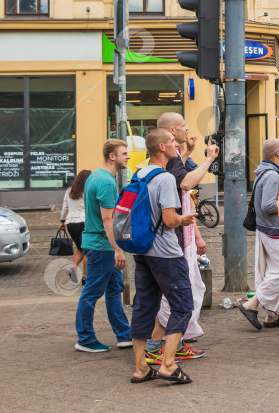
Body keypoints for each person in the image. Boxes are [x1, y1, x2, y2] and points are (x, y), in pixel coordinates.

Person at [144, 112, 219, 363]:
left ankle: (176, 342)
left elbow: (179, 181)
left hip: (171, 238)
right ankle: (156, 348)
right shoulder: (170, 160)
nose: (187, 130)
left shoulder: (165, 160)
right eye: (184, 127)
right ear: (172, 131)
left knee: (186, 291)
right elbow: (185, 184)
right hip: (172, 239)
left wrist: (187, 152)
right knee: (180, 294)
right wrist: (208, 161)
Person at [129, 129, 197, 385]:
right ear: (161, 147)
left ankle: (141, 368)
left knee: (144, 306)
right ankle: (168, 364)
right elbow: (169, 220)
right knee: (182, 304)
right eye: (172, 143)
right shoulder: (166, 178)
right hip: (166, 253)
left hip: (142, 250)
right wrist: (185, 219)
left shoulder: (139, 173)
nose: (176, 146)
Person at [74, 140, 132, 353]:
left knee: (114, 290)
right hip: (102, 247)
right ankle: (85, 339)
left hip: (98, 244)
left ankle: (124, 335)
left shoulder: (95, 177)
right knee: (91, 292)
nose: (128, 157)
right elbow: (108, 220)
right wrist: (118, 249)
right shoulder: (106, 182)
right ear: (112, 156)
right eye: (124, 153)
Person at [238, 138, 279, 330]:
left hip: (266, 228)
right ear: (277, 153)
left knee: (271, 272)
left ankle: (272, 316)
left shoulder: (264, 172)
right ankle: (251, 305)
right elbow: (268, 205)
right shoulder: (272, 175)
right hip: (274, 229)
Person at [60, 169, 91, 285]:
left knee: (80, 248)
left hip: (71, 223)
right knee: (87, 250)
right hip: (84, 221)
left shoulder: (69, 190)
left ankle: (73, 267)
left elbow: (65, 208)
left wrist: (62, 221)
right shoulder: (87, 191)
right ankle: (85, 277)